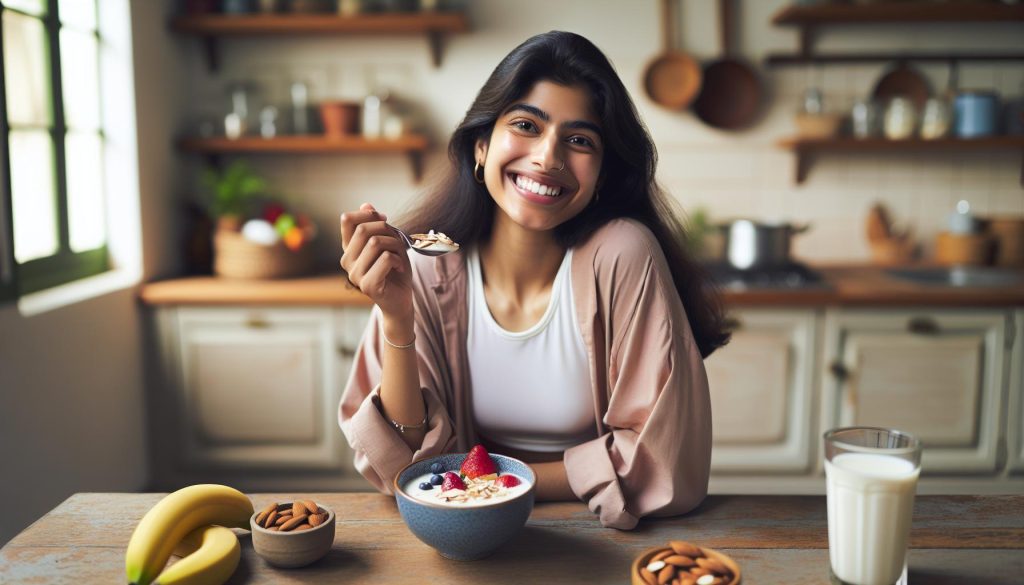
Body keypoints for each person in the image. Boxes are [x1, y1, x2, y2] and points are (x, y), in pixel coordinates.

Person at [338, 31, 729, 530]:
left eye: (580, 140)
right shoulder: (426, 265)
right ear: (481, 146)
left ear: (603, 175)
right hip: (467, 534)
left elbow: (665, 462)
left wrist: (494, 482)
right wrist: (397, 319)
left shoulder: (622, 255)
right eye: (526, 125)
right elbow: (401, 465)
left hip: (596, 528)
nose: (548, 157)